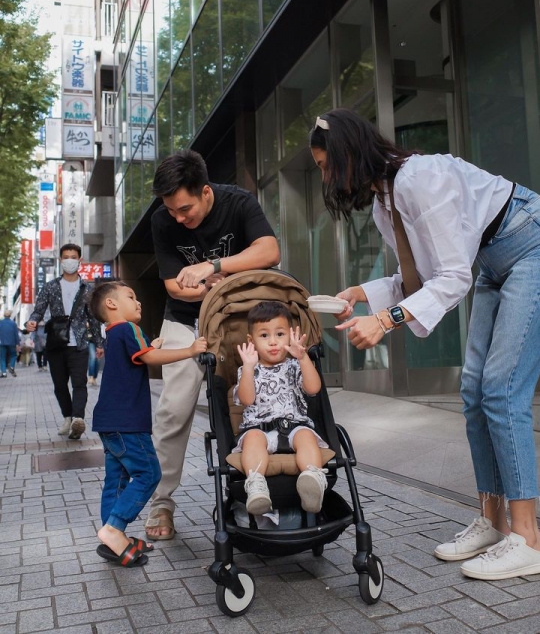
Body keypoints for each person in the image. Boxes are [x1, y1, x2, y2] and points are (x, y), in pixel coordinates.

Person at [309, 107, 540, 581]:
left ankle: (528, 537)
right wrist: (363, 294)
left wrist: (385, 321)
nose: (325, 176)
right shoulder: (383, 201)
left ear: (347, 154)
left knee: (501, 389)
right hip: (494, 264)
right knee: (473, 392)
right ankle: (492, 521)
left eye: (324, 164)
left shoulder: (419, 178)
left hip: (529, 244)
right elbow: (419, 276)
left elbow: (453, 278)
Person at [147, 148, 280, 540]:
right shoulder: (162, 221)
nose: (178, 218)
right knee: (173, 408)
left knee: (245, 404)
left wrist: (216, 266)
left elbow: (270, 251)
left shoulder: (238, 202)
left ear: (205, 192)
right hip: (185, 323)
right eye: (171, 210)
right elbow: (174, 286)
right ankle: (162, 502)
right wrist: (208, 288)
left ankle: (249, 488)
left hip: (240, 320)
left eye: (184, 208)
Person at [88, 280, 207, 567]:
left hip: (108, 421)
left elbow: (141, 357)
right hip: (129, 422)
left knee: (116, 480)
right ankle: (115, 529)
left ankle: (113, 540)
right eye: (131, 296)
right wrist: (190, 350)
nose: (138, 301)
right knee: (149, 473)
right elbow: (151, 358)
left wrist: (150, 347)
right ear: (111, 304)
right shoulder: (129, 329)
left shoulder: (113, 333)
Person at [233, 301, 328, 515]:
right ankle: (256, 485)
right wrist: (248, 367)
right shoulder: (248, 369)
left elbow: (314, 388)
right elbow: (247, 399)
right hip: (259, 427)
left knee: (306, 436)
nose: (273, 342)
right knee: (252, 440)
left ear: (292, 335)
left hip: (294, 424)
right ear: (252, 341)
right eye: (264, 336)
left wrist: (303, 358)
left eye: (280, 334)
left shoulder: (295, 365)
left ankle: (312, 478)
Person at [26, 244, 104, 440]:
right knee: (60, 385)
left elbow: (93, 318)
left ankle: (78, 419)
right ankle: (67, 417)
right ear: (61, 260)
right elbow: (39, 309)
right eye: (66, 257)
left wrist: (99, 342)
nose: (70, 260)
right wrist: (32, 321)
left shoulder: (87, 288)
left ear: (79, 260)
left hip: (79, 344)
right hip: (56, 343)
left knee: (79, 384)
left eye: (73, 257)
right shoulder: (50, 286)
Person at [0, 310, 20, 378]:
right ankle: (11, 366)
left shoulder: (0, 323)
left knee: (2, 357)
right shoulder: (13, 323)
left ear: (4, 315)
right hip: (12, 342)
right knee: (13, 355)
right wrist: (17, 343)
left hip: (2, 342)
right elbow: (16, 334)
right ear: (10, 315)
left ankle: (4, 373)